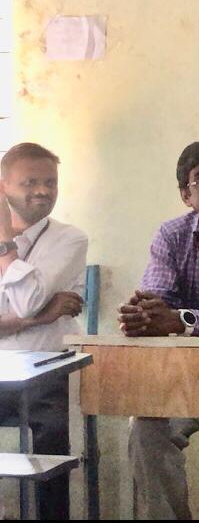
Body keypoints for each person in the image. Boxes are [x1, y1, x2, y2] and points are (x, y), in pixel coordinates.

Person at [119, 140, 199, 519]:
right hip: (190, 379)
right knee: (146, 428)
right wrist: (143, 316)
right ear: (186, 195)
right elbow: (159, 302)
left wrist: (183, 320)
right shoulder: (172, 235)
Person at [0, 143, 88, 520]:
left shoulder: (69, 239)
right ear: (3, 187)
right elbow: (33, 310)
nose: (42, 191)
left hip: (47, 375)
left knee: (52, 438)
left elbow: (26, 301)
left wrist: (4, 243)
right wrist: (36, 319)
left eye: (50, 182)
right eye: (30, 182)